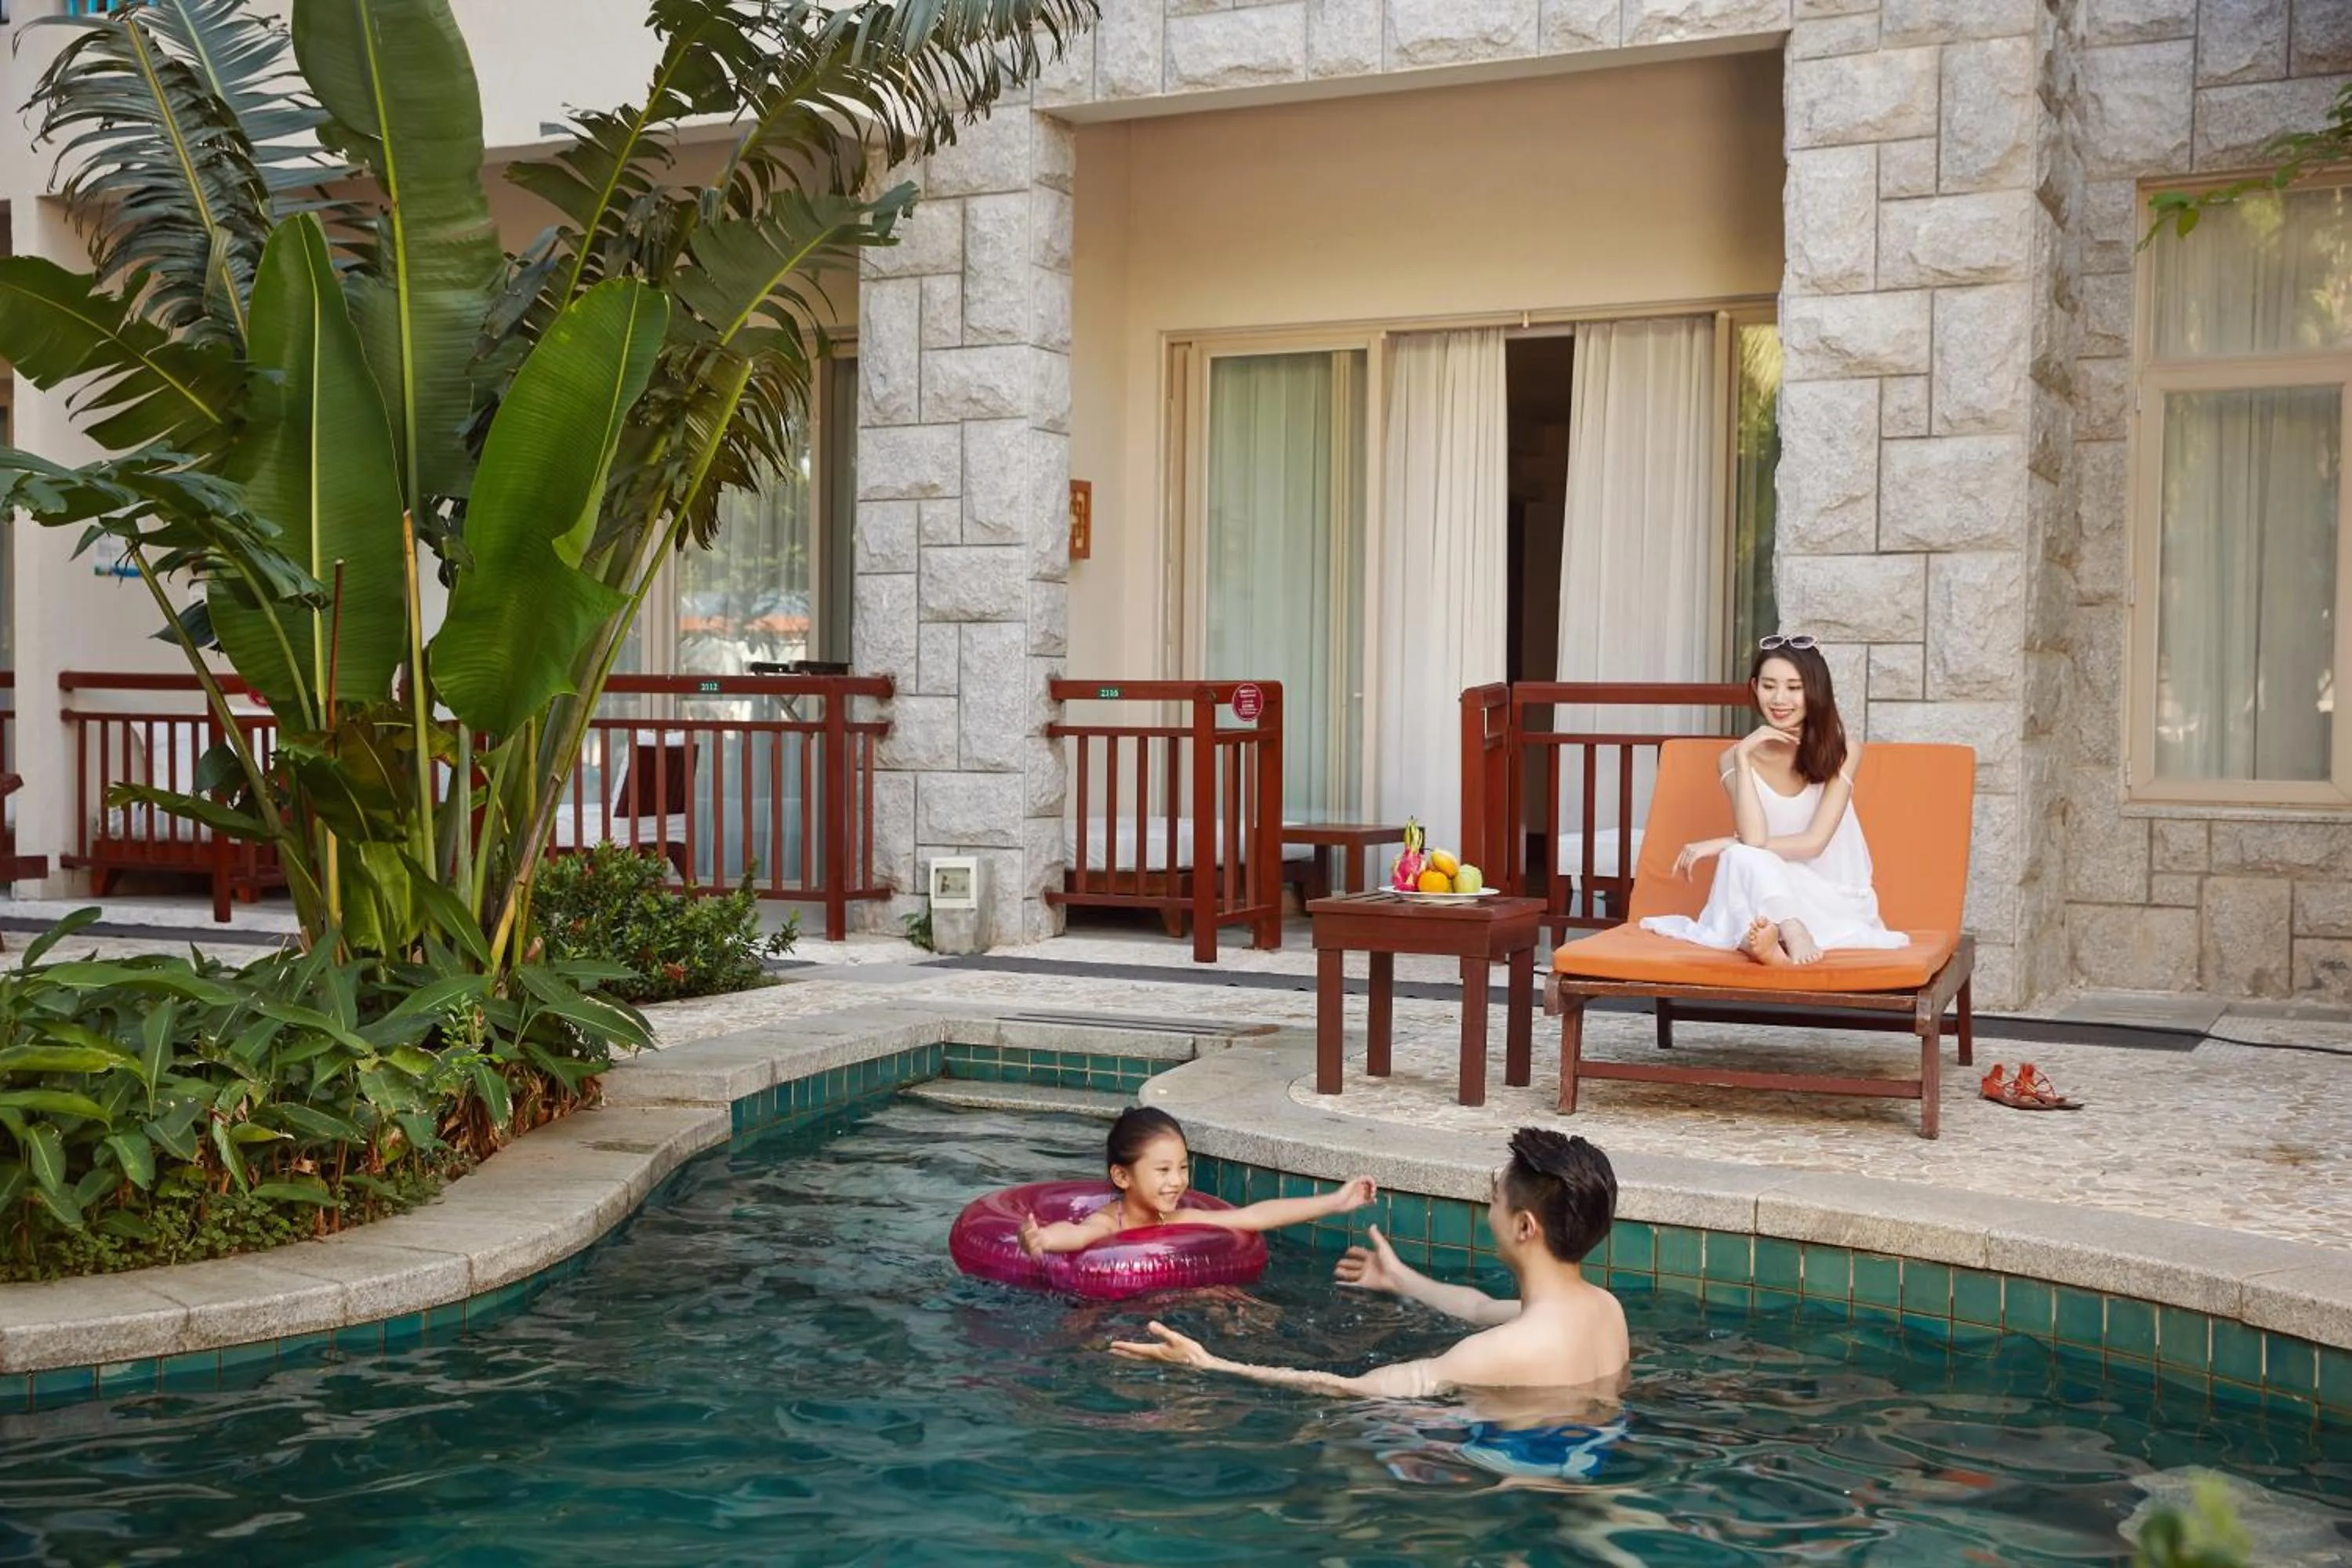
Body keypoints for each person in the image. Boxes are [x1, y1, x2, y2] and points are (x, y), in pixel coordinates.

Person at [1109, 1129, 1629, 1398]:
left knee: (1349, 1461)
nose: (1486, 1208)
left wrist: (1212, 1363)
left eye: (1495, 1198)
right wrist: (1401, 1278)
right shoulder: (1605, 1310)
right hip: (1577, 1464)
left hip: (1515, 1484)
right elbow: (1480, 1306)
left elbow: (1356, 1389)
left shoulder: (1498, 1351)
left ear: (1524, 1227)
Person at [1643, 633, 1908, 967]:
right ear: (1755, 688)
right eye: (1769, 686)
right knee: (1741, 859)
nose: (1780, 699)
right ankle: (1777, 936)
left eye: (1794, 688)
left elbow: (1813, 844)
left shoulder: (1843, 751)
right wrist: (1743, 756)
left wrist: (1727, 843)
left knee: (1738, 857)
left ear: (1815, 691)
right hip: (1768, 891)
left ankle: (1774, 935)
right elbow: (1754, 838)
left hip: (1832, 901)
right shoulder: (1732, 759)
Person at [1020, 1107, 1376, 1256]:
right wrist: (1044, 1238)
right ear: (1122, 1175)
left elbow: (1253, 1217)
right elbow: (1077, 1233)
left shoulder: (1177, 1220)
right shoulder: (1109, 1223)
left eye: (1182, 1168)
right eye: (1162, 1171)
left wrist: (1334, 1202)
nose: (1177, 1181)